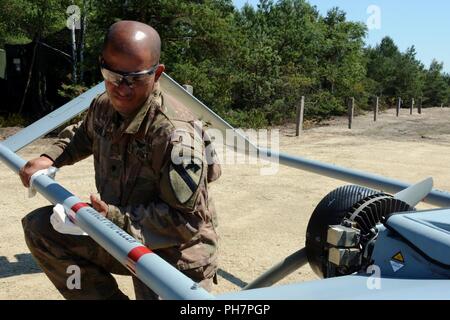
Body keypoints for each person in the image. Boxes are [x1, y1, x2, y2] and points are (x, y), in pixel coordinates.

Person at [19, 20, 221, 300]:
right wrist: (49, 156)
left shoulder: (175, 136)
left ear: (157, 73)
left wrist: (110, 219)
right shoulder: (104, 105)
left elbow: (184, 223)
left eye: (134, 79)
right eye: (111, 75)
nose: (120, 88)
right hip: (119, 234)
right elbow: (84, 134)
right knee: (42, 229)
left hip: (174, 256)